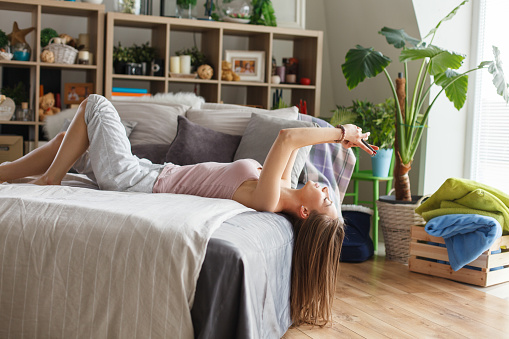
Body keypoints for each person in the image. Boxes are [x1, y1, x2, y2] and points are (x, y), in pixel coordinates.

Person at [0, 94, 377, 326]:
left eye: (327, 200)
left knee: (96, 104)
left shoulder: (269, 200)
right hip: (149, 171)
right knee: (71, 138)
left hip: (135, 179)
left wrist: (343, 133)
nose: (328, 190)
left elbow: (288, 137)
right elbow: (293, 141)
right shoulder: (279, 188)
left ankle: (50, 181)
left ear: (307, 215)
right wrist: (345, 140)